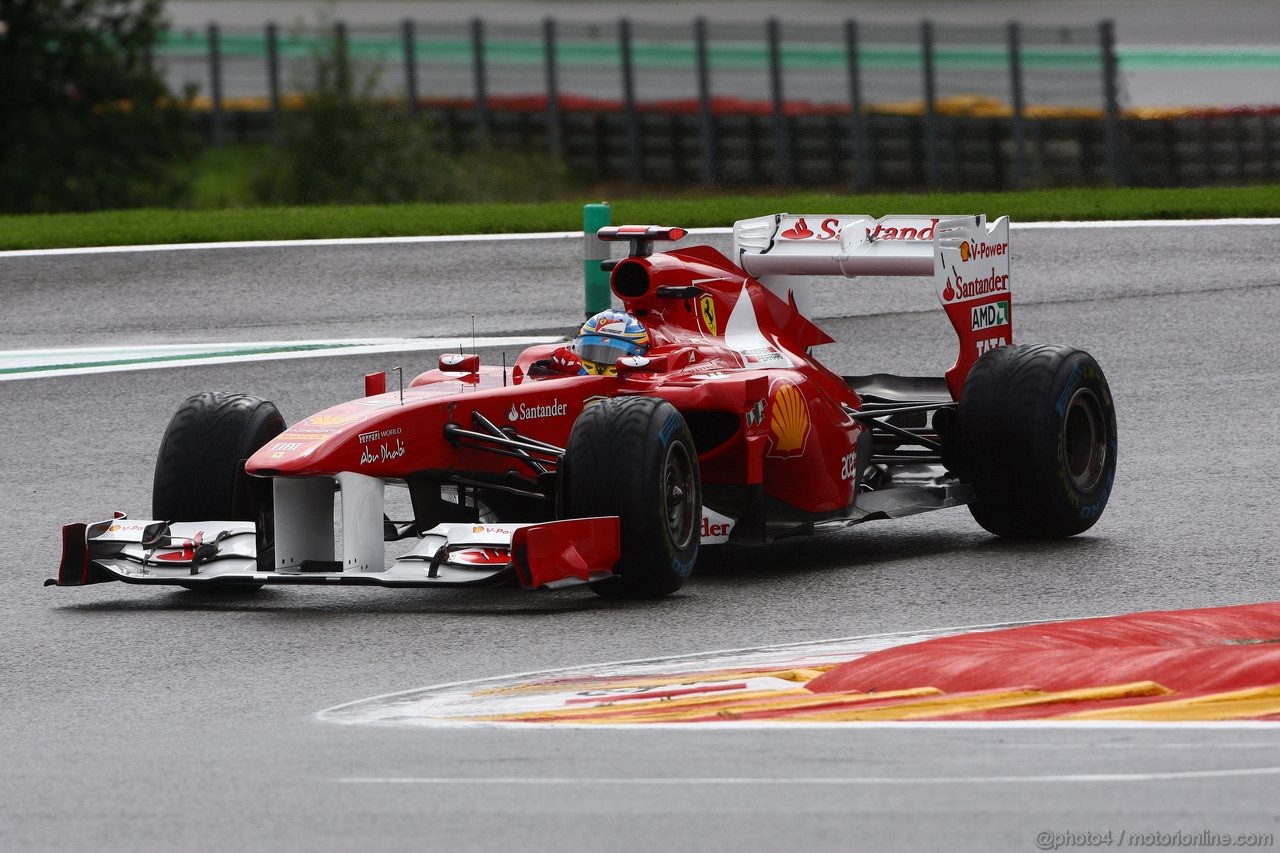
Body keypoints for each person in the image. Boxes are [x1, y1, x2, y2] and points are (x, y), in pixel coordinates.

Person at [529, 309, 651, 378]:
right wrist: (554, 372)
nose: (600, 368)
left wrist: (583, 373)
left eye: (613, 355)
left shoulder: (650, 381)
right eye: (592, 351)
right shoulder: (570, 365)